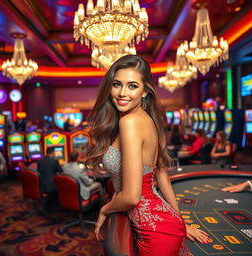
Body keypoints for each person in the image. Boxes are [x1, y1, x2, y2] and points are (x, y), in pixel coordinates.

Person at [86, 55, 210, 255]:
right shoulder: (149, 119)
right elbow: (161, 177)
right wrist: (180, 221)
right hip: (164, 221)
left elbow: (132, 197)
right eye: (117, 84)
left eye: (132, 86)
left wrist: (104, 209)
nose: (122, 93)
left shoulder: (130, 122)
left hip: (155, 231)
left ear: (145, 91)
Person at [37, 147, 63, 212]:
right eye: (54, 152)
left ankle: (50, 205)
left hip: (41, 185)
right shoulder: (54, 161)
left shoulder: (39, 161)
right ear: (52, 153)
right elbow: (61, 171)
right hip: (51, 186)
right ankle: (54, 206)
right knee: (61, 187)